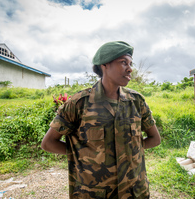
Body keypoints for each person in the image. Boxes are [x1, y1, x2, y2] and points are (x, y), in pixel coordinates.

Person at [41, 41, 161, 199]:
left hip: (134, 191)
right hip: (93, 193)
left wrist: (128, 152)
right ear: (105, 65)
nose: (130, 68)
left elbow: (155, 139)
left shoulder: (136, 101)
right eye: (123, 62)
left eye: (131, 63)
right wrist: (83, 156)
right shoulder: (79, 103)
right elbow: (48, 143)